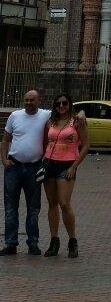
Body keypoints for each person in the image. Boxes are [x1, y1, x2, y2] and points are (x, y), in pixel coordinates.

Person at [1, 89, 51, 257]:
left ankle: (33, 243)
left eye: (32, 100)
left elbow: (68, 114)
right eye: (26, 100)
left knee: (34, 208)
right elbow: (6, 139)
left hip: (34, 168)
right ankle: (10, 243)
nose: (29, 103)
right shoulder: (15, 116)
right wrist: (4, 159)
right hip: (13, 167)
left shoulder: (45, 115)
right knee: (10, 208)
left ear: (39, 101)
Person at [42, 94, 89, 258]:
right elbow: (45, 142)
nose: (61, 106)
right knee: (52, 203)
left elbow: (86, 145)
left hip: (67, 165)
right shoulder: (51, 121)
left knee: (64, 203)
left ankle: (72, 240)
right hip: (49, 164)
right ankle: (54, 241)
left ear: (69, 104)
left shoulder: (77, 121)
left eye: (64, 103)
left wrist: (74, 166)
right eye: (58, 103)